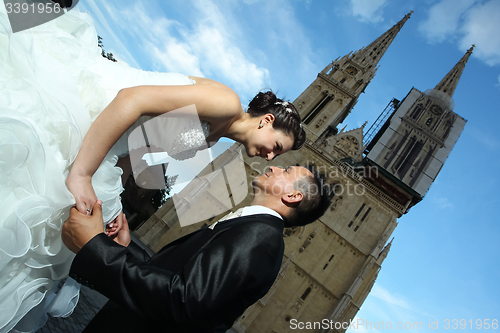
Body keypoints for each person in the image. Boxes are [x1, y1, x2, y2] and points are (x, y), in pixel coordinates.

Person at [0, 4, 305, 332]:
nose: (270, 158)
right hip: (86, 107)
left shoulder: (213, 138)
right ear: (267, 121)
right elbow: (131, 100)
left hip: (100, 141)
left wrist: (114, 202)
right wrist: (82, 173)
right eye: (277, 147)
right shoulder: (226, 102)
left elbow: (136, 150)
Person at [62, 165, 332, 332]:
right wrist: (126, 249)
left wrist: (95, 248)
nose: (274, 168)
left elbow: (181, 299)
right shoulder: (253, 227)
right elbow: (182, 276)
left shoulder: (260, 237)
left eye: (285, 172)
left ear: (293, 196)